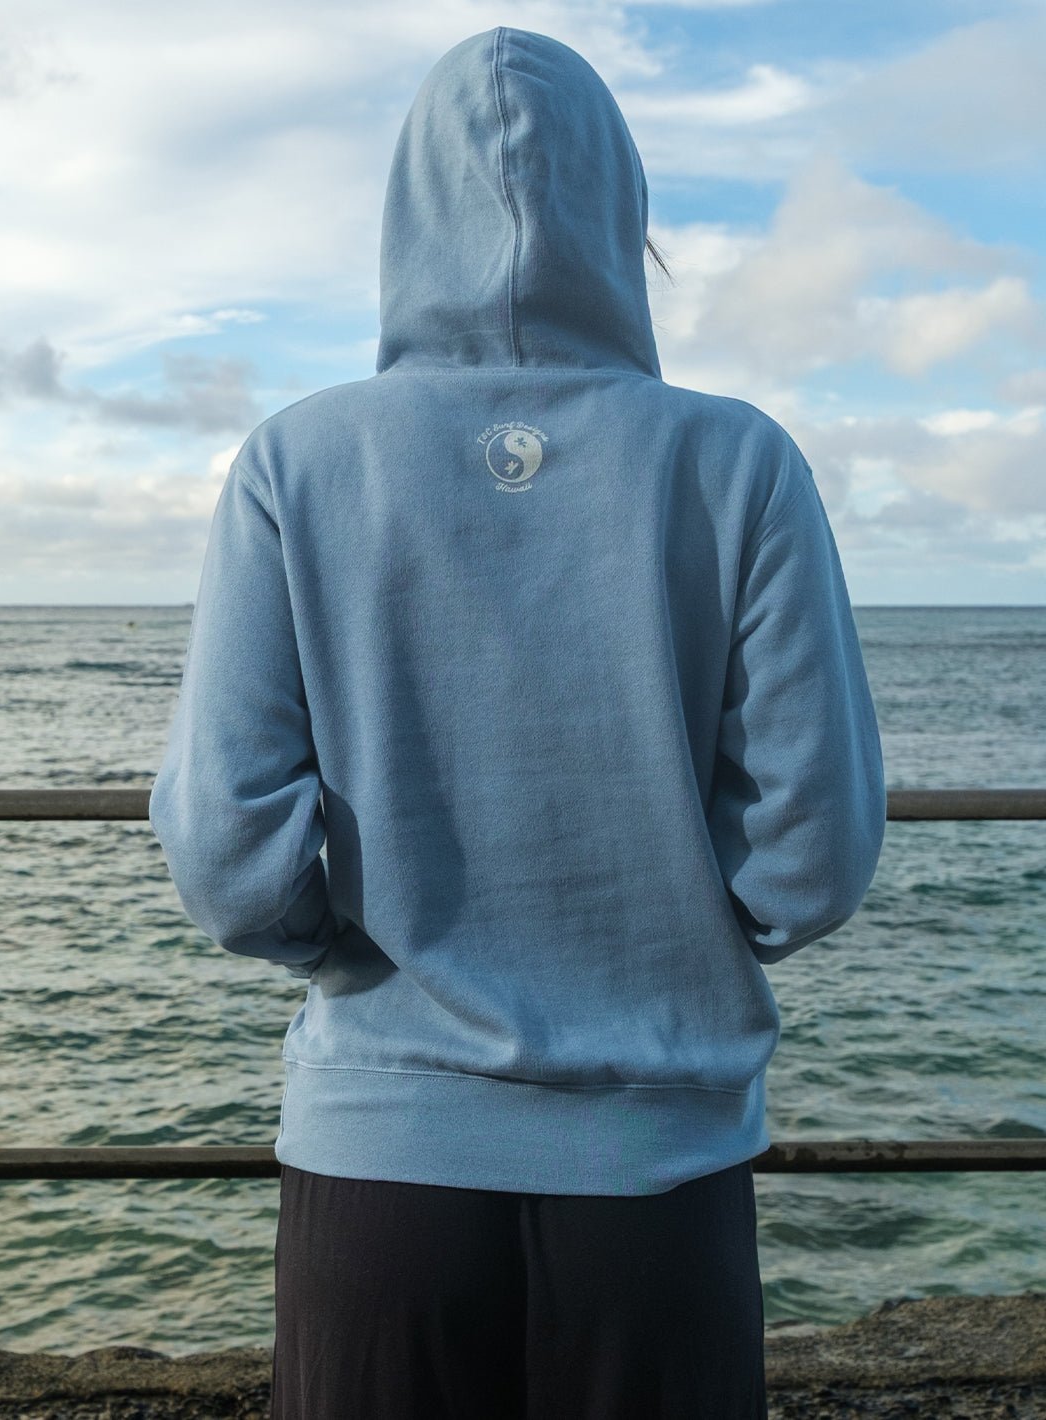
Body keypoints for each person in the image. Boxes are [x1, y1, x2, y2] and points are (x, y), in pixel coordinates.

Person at [148, 24, 886, 1420]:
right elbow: (815, 852)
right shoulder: (740, 463)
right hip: (658, 1182)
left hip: (380, 1171)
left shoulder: (297, 462)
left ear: (405, 212)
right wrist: (674, 939)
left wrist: (347, 947)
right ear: (623, 214)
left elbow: (229, 855)